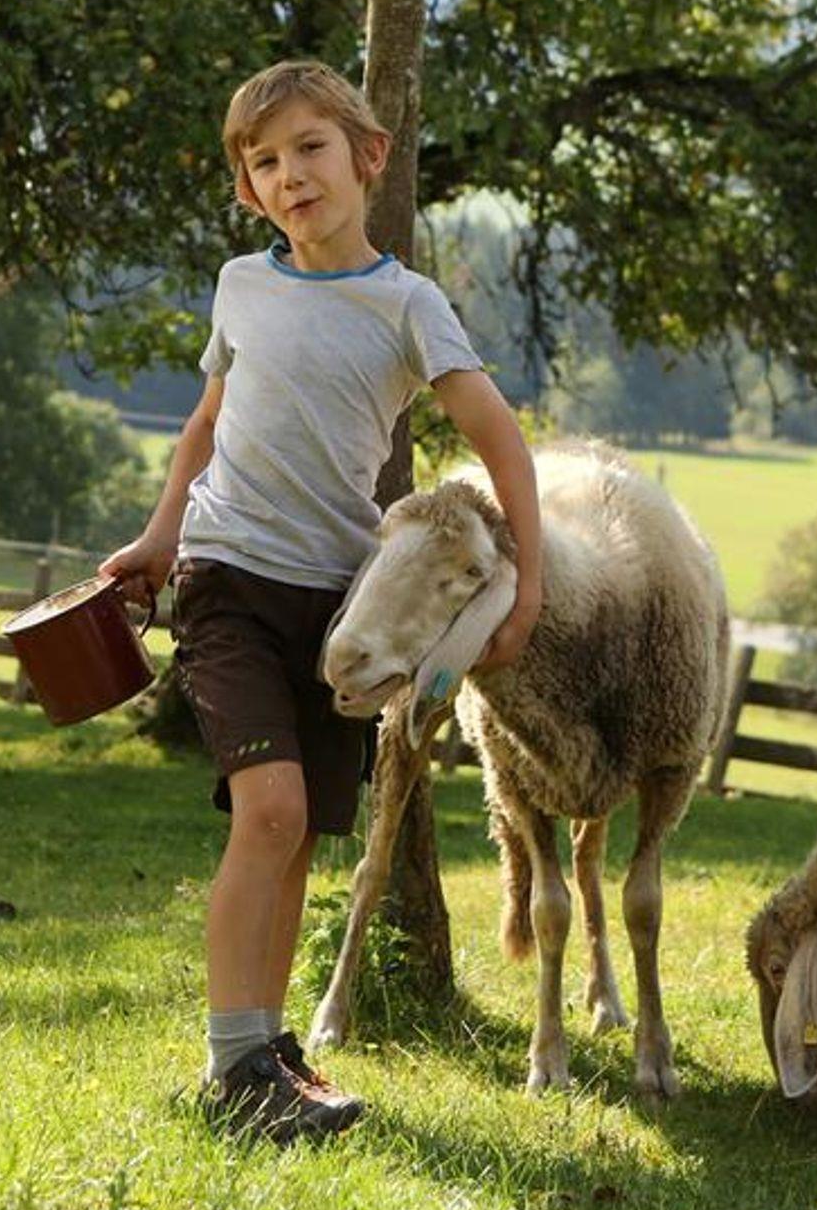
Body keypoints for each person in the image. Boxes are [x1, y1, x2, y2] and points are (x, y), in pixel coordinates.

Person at [100, 60, 543, 1144]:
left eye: (310, 148)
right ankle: (232, 1067)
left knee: (297, 836)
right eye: (264, 162)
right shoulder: (239, 287)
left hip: (340, 606)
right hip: (227, 579)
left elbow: (500, 440)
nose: (289, 175)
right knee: (270, 812)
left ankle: (267, 1049)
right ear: (247, 190)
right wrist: (158, 539)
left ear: (368, 157)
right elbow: (205, 426)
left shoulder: (407, 305)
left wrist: (523, 582)